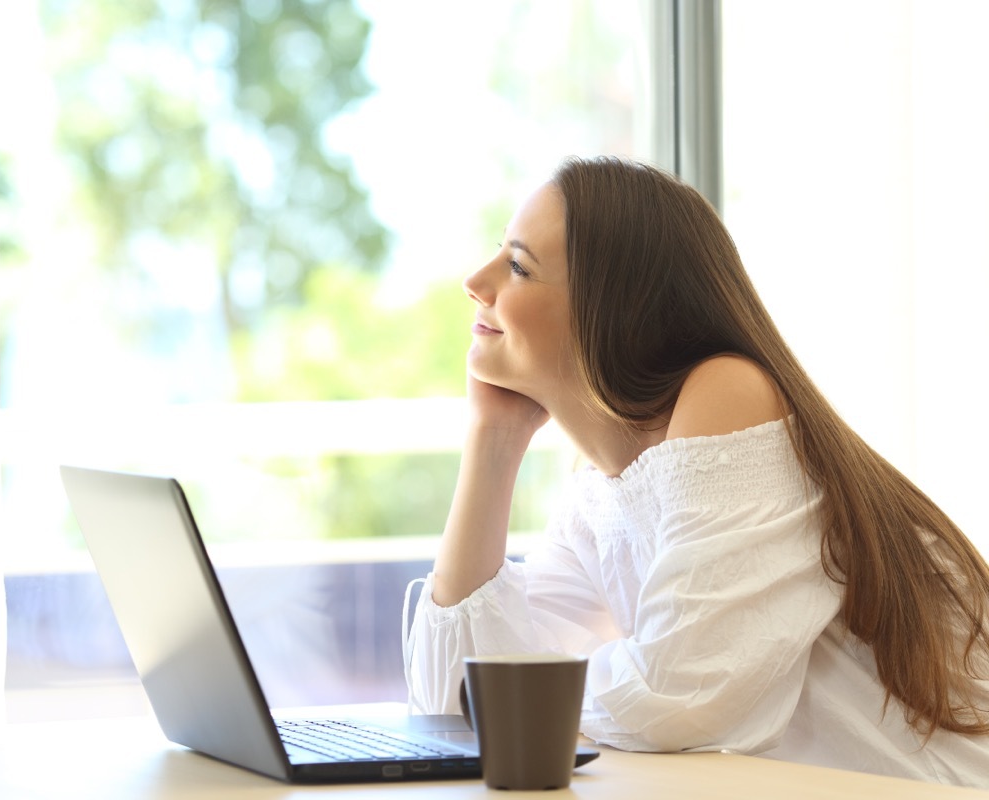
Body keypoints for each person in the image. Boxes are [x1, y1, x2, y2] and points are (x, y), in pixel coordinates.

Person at [402, 155, 989, 787]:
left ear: (614, 311)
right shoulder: (601, 493)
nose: (475, 280)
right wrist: (492, 440)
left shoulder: (729, 392)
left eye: (518, 266)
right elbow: (452, 702)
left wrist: (533, 692)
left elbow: (681, 695)